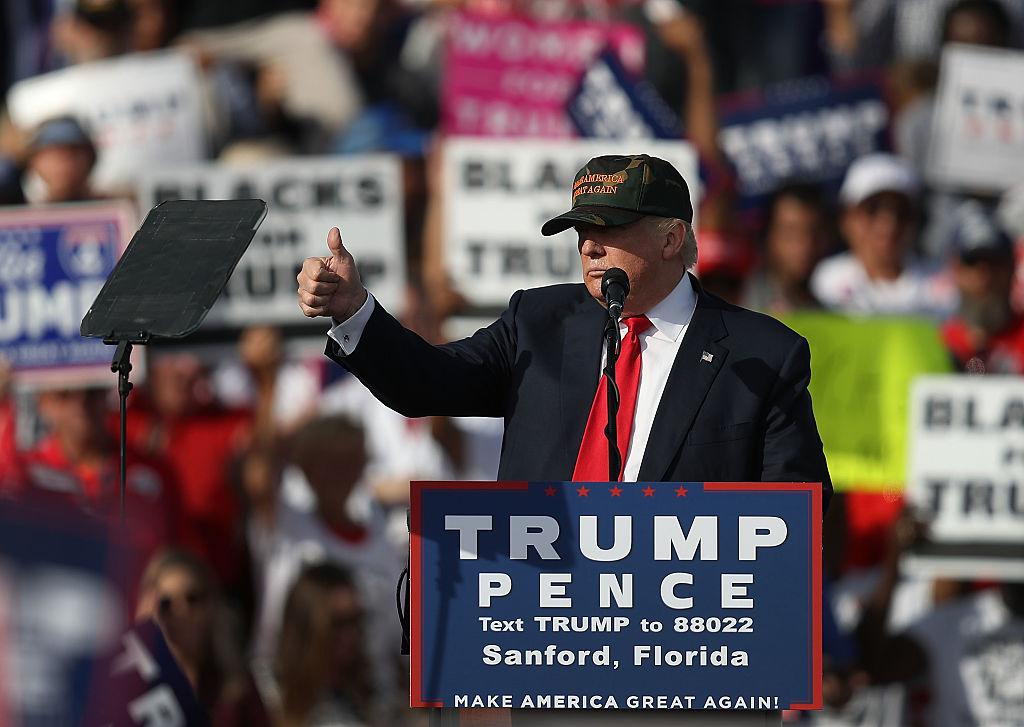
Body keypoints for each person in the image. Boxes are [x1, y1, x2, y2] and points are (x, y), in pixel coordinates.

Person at [298, 153, 832, 510]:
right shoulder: (538, 322)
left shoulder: (760, 354)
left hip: (679, 637)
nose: (589, 247)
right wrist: (352, 310)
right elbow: (425, 384)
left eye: (608, 229)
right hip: (544, 626)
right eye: (581, 230)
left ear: (672, 240)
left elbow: (795, 516)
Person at [810, 153, 957, 318]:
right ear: (846, 218)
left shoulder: (946, 287)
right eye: (872, 209)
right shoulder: (825, 283)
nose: (887, 225)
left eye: (901, 212)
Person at [941, 200, 1024, 373]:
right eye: (972, 262)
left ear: (1012, 268)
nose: (984, 276)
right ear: (955, 269)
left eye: (995, 262)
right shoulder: (937, 341)